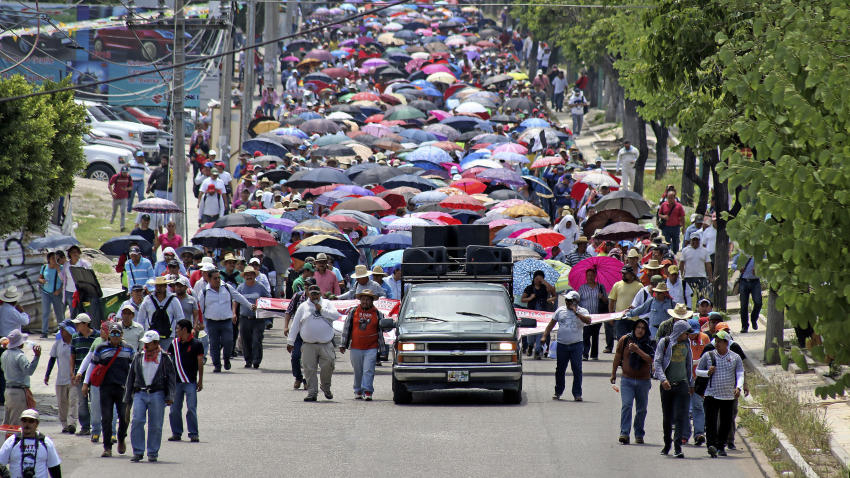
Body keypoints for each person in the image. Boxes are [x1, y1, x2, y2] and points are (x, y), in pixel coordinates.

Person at [125, 330, 177, 463]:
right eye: (145, 343)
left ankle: (153, 452)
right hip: (139, 393)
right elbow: (131, 378)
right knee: (137, 421)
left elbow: (171, 378)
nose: (146, 346)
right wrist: (127, 398)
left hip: (157, 394)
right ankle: (138, 451)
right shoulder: (138, 356)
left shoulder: (165, 358)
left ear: (156, 343)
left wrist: (170, 396)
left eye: (149, 343)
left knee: (156, 424)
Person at [86, 323, 134, 457]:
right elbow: (92, 365)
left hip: (123, 388)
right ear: (109, 335)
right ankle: (107, 447)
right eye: (112, 333)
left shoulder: (129, 349)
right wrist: (86, 383)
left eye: (117, 333)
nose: (115, 336)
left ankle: (121, 438)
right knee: (106, 418)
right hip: (105, 388)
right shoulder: (101, 348)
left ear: (122, 335)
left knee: (124, 417)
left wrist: (134, 386)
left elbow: (134, 368)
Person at [695, 330, 744, 458]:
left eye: (720, 342)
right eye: (716, 341)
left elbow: (740, 373)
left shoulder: (735, 357)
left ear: (726, 343)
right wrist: (707, 372)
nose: (717, 344)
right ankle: (711, 445)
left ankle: (721, 445)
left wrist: (738, 387)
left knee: (726, 422)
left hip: (728, 395)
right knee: (710, 421)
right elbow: (698, 371)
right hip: (711, 394)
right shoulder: (708, 356)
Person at [287, 285, 339, 402]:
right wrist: (290, 341)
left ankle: (325, 387)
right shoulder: (303, 306)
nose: (314, 296)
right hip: (308, 343)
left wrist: (321, 309)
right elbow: (295, 324)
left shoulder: (327, 303)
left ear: (320, 294)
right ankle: (312, 392)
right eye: (312, 294)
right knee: (309, 369)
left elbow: (336, 315)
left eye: (316, 293)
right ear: (308, 294)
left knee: (328, 366)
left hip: (325, 343)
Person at [197, 270, 254, 373]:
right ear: (209, 279)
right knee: (214, 344)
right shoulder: (204, 292)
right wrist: (197, 322)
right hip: (211, 322)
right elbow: (199, 308)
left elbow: (238, 296)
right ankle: (217, 365)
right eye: (215, 278)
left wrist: (250, 305)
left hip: (226, 321)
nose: (218, 280)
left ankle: (226, 359)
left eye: (219, 278)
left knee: (228, 341)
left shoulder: (227, 287)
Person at [653, 318, 694, 458]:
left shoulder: (686, 344)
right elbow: (657, 362)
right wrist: (663, 379)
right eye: (686, 333)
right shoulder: (665, 343)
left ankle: (678, 447)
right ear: (679, 332)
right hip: (667, 385)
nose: (687, 336)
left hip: (682, 384)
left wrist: (691, 383)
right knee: (667, 417)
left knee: (680, 416)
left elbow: (689, 364)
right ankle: (667, 444)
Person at [611, 318, 654, 445]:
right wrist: (613, 373)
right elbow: (618, 356)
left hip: (643, 381)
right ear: (634, 328)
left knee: (641, 409)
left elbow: (650, 359)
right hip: (627, 380)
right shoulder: (625, 340)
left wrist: (637, 350)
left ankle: (639, 433)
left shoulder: (650, 342)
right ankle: (624, 433)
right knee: (627, 406)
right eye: (638, 327)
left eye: (643, 328)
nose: (640, 330)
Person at [542, 290, 591, 401]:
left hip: (576, 344)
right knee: (560, 369)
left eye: (570, 300)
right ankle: (558, 391)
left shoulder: (583, 311)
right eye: (566, 300)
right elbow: (551, 325)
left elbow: (588, 321)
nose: (567, 302)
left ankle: (577, 393)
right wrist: (544, 336)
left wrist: (576, 313)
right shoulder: (560, 310)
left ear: (576, 301)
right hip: (562, 344)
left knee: (577, 369)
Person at [340, 290, 386, 400]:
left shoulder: (378, 313)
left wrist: (389, 324)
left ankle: (368, 391)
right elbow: (346, 328)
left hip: (372, 347)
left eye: (367, 299)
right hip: (356, 347)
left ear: (372, 301)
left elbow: (384, 328)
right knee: (358, 370)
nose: (365, 301)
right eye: (363, 299)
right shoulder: (353, 311)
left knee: (368, 370)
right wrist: (343, 344)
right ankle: (357, 390)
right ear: (360, 300)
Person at [166, 319, 204, 443]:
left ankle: (193, 433)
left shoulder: (197, 344)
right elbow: (168, 361)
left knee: (191, 408)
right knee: (174, 409)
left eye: (177, 328)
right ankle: (176, 432)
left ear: (184, 329)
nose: (176, 331)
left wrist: (200, 380)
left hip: (190, 382)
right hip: (176, 382)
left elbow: (200, 363)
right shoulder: (174, 344)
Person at [0, 409, 61, 478]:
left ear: (37, 424)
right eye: (24, 420)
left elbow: (54, 468)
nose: (27, 424)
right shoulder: (12, 441)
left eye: (31, 421)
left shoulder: (46, 442)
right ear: (21, 422)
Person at [1, 330, 40, 425]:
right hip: (19, 392)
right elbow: (29, 371)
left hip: (8, 391)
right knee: (16, 423)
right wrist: (37, 356)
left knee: (7, 422)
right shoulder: (20, 356)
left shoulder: (4, 354)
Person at [0, 287, 32, 405]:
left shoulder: (2, 309)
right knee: (10, 369)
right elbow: (25, 321)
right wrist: (22, 311)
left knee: (3, 368)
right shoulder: (13, 311)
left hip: (2, 338)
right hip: (11, 341)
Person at [43, 321, 76, 434]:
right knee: (62, 404)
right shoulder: (58, 344)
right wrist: (47, 375)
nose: (61, 332)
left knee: (73, 402)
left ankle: (72, 423)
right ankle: (64, 424)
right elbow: (52, 359)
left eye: (63, 330)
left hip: (73, 379)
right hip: (61, 379)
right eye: (61, 330)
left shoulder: (75, 343)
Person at [284, 278, 316, 390]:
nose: (307, 287)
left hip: (312, 333)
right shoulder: (298, 296)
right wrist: (285, 326)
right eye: (306, 285)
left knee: (309, 359)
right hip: (298, 332)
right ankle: (298, 377)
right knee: (295, 356)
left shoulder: (319, 299)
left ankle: (307, 380)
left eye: (310, 285)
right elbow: (289, 311)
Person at [236, 266, 270, 369]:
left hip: (258, 319)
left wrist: (259, 305)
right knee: (245, 340)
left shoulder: (260, 287)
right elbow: (235, 300)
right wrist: (233, 313)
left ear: (254, 275)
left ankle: (256, 360)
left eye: (251, 274)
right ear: (244, 276)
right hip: (244, 318)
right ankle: (248, 360)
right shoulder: (240, 287)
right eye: (246, 274)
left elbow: (268, 298)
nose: (249, 276)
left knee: (256, 340)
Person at [684, 318, 710, 446]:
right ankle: (684, 434)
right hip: (685, 377)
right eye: (690, 333)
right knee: (685, 408)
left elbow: (709, 355)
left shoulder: (704, 338)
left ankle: (699, 433)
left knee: (698, 406)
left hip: (700, 378)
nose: (693, 335)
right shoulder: (682, 339)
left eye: (695, 332)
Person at [70, 313, 96, 437]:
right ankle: (85, 427)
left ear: (85, 324)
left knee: (95, 401)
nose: (76, 326)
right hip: (80, 375)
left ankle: (97, 426)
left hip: (95, 376)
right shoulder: (75, 337)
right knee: (82, 402)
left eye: (78, 323)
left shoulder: (96, 336)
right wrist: (72, 372)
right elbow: (73, 356)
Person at [520, 270, 556, 359]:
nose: (538, 280)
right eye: (536, 278)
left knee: (540, 332)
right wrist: (531, 297)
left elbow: (552, 291)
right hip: (531, 314)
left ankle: (537, 351)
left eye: (540, 278)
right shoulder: (529, 288)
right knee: (531, 335)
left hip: (542, 313)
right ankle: (530, 346)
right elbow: (523, 299)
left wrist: (543, 281)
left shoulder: (544, 288)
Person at [135, 276, 184, 340]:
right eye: (157, 286)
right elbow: (141, 319)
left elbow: (180, 318)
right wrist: (141, 334)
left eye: (161, 286)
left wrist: (179, 335)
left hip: (169, 336)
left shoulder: (173, 300)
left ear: (165, 286)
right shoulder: (147, 299)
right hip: (150, 337)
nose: (159, 288)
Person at [607, 265, 643, 352]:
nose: (623, 275)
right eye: (622, 273)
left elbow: (643, 303)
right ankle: (621, 358)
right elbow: (611, 301)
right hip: (620, 318)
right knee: (621, 340)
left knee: (633, 341)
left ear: (631, 274)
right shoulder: (617, 285)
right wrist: (611, 316)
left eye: (625, 274)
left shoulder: (639, 286)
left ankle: (630, 359)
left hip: (634, 318)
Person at [577, 268, 606, 360]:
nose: (590, 277)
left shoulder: (600, 287)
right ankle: (585, 353)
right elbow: (577, 300)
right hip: (585, 316)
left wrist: (602, 297)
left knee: (595, 335)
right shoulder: (582, 288)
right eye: (588, 275)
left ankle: (594, 354)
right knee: (586, 334)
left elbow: (606, 301)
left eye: (592, 275)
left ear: (595, 276)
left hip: (597, 315)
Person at [732, 252, 762, 333]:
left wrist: (758, 268)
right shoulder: (740, 255)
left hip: (755, 281)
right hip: (744, 281)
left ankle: (754, 318)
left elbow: (765, 262)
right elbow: (733, 265)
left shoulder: (758, 253)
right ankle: (744, 326)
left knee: (758, 302)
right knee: (744, 305)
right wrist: (739, 268)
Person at [680, 235, 713, 305]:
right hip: (688, 277)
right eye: (693, 240)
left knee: (702, 297)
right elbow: (682, 264)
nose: (695, 242)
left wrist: (710, 276)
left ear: (699, 241)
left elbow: (708, 264)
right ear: (690, 241)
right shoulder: (685, 250)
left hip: (701, 277)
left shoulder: (704, 251)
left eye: (696, 240)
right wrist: (680, 275)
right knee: (689, 297)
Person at [38, 252, 64, 338]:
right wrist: (42, 281)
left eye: (56, 258)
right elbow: (40, 278)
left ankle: (62, 331)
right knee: (45, 312)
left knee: (59, 313)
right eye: (52, 258)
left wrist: (59, 290)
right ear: (48, 259)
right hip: (46, 292)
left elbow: (64, 281)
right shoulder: (44, 267)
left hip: (57, 293)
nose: (54, 260)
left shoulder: (60, 268)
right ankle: (44, 332)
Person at [108, 166, 133, 231]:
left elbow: (131, 187)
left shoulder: (129, 177)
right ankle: (112, 220)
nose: (125, 174)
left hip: (124, 197)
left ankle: (122, 226)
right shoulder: (116, 177)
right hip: (116, 197)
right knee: (114, 211)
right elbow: (109, 185)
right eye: (123, 172)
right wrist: (112, 192)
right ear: (121, 172)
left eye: (126, 172)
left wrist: (126, 189)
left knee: (123, 212)